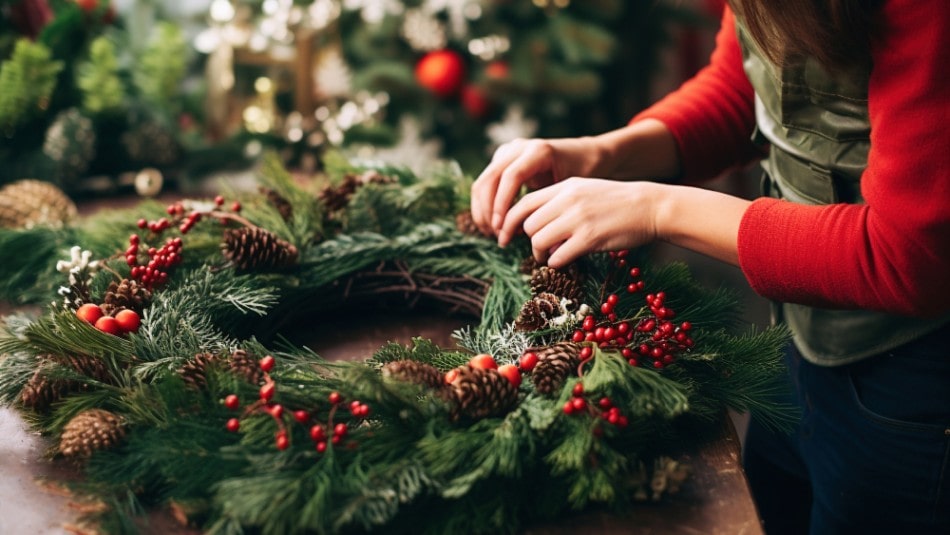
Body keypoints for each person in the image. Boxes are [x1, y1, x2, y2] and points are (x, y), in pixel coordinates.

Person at [470, 1, 950, 533]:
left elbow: (909, 258)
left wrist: (658, 209)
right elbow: (742, 89)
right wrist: (601, 154)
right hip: (796, 338)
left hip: (911, 388)